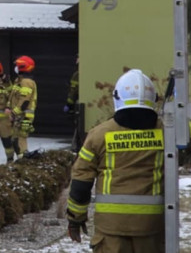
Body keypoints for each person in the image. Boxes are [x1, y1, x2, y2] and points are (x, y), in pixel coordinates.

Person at [66, 69, 164, 252]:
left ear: (117, 97)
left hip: (110, 229)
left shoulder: (99, 135)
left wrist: (75, 218)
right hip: (151, 226)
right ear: (153, 99)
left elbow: (81, 182)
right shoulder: (166, 132)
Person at [9, 55, 38, 158]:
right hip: (19, 115)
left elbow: (25, 101)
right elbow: (14, 97)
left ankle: (24, 160)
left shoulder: (26, 82)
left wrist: (14, 113)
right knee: (15, 139)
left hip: (23, 116)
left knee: (20, 139)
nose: (15, 68)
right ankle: (21, 159)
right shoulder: (19, 81)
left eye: (17, 65)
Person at [65, 56, 81, 150]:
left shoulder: (77, 74)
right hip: (80, 102)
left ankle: (76, 146)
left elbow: (73, 91)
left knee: (78, 125)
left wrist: (68, 104)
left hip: (78, 102)